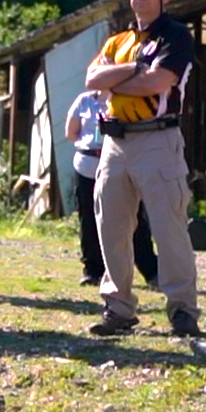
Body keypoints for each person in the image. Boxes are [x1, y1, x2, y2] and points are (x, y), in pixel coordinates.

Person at [83, 0, 202, 337]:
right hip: (116, 142)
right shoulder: (118, 41)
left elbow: (157, 82)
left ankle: (182, 309)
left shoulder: (176, 37)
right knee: (112, 227)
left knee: (169, 228)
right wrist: (133, 71)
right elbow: (91, 79)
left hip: (157, 139)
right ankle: (118, 308)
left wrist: (117, 78)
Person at [66, 89, 158, 288]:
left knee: (133, 218)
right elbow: (71, 133)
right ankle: (93, 271)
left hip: (118, 162)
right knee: (89, 219)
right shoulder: (84, 100)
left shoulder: (126, 99)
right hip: (87, 164)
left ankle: (151, 270)